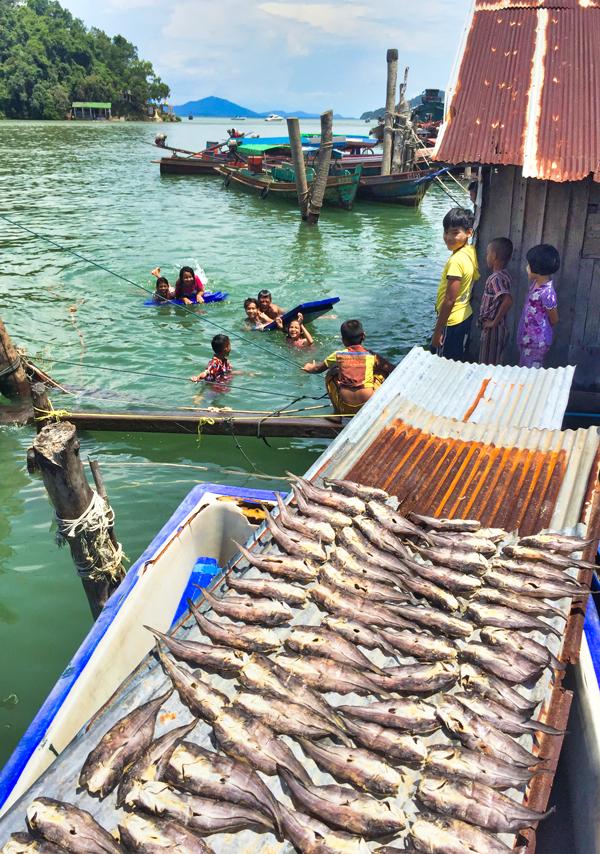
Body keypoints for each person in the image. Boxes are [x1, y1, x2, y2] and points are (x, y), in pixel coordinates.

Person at [303, 319, 394, 415]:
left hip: (345, 407)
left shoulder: (338, 355)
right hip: (368, 405)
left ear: (343, 340)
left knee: (331, 373)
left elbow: (317, 369)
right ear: (363, 336)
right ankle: (382, 409)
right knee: (382, 371)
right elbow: (393, 369)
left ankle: (336, 414)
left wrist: (309, 367)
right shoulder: (371, 356)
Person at [432, 207, 479, 361]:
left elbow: (450, 300)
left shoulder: (456, 261)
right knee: (456, 358)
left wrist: (438, 331)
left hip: (451, 321)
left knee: (442, 363)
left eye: (455, 232)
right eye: (446, 232)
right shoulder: (469, 251)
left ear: (469, 233)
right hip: (464, 315)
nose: (448, 237)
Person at [517, 244, 560, 369]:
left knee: (531, 372)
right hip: (528, 338)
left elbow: (554, 319)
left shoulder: (547, 293)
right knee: (525, 367)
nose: (527, 268)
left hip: (537, 342)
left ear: (537, 268)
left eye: (529, 265)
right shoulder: (536, 284)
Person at [478, 237, 513, 365]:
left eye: (488, 254)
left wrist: (493, 323)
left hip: (494, 331)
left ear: (493, 256)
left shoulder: (495, 278)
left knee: (487, 365)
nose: (486, 257)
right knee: (495, 362)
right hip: (500, 328)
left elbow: (507, 300)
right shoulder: (505, 274)